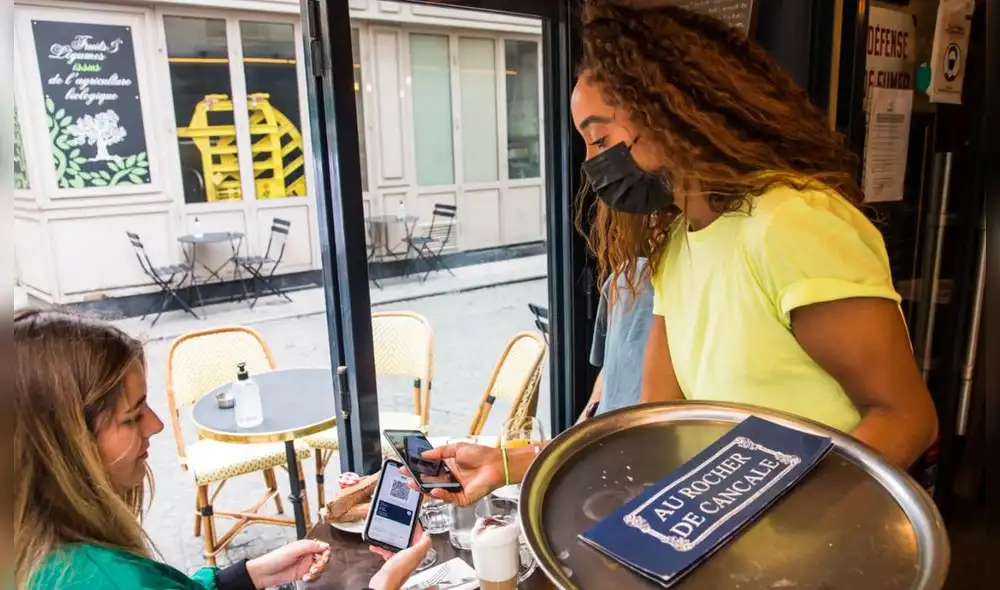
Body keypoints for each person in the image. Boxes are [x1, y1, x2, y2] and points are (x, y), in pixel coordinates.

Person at [412, 1, 939, 509]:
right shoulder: (679, 246)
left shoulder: (793, 223)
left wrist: (768, 512)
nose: (595, 166)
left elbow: (906, 419)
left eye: (600, 139)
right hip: (720, 536)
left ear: (669, 112)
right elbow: (651, 427)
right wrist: (511, 462)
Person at [14, 309, 430, 590]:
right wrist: (384, 585)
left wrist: (244, 577)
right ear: (65, 444)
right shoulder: (109, 579)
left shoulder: (35, 552)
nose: (157, 425)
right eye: (132, 415)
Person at [578, 257, 655, 423]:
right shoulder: (624, 277)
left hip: (634, 434)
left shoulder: (625, 277)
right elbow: (609, 370)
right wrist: (572, 434)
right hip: (608, 431)